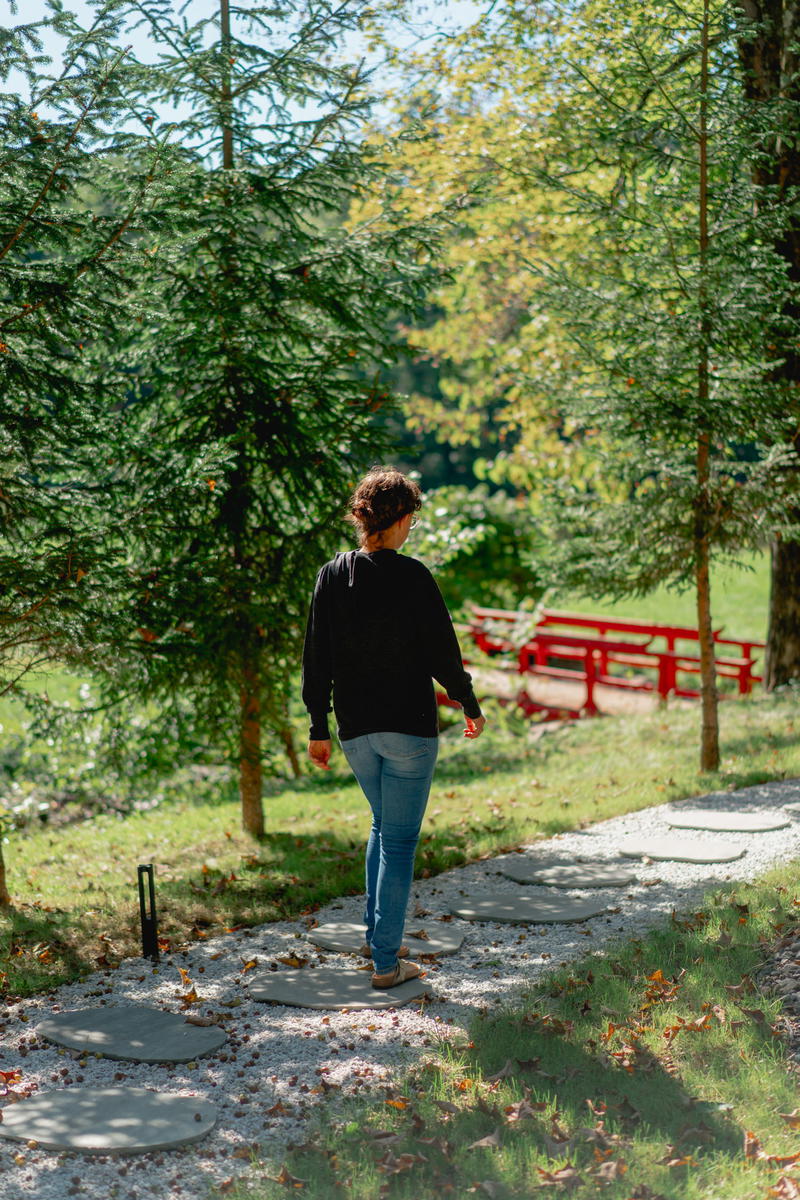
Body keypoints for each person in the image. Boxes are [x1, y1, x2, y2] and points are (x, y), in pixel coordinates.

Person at [302, 467, 485, 989]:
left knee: (382, 827)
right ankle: (386, 962)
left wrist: (318, 725)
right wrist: (468, 703)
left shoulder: (332, 575)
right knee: (399, 840)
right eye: (410, 520)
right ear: (400, 518)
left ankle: (377, 936)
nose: (411, 530)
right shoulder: (413, 575)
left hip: (356, 730)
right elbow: (443, 655)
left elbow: (316, 658)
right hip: (409, 730)